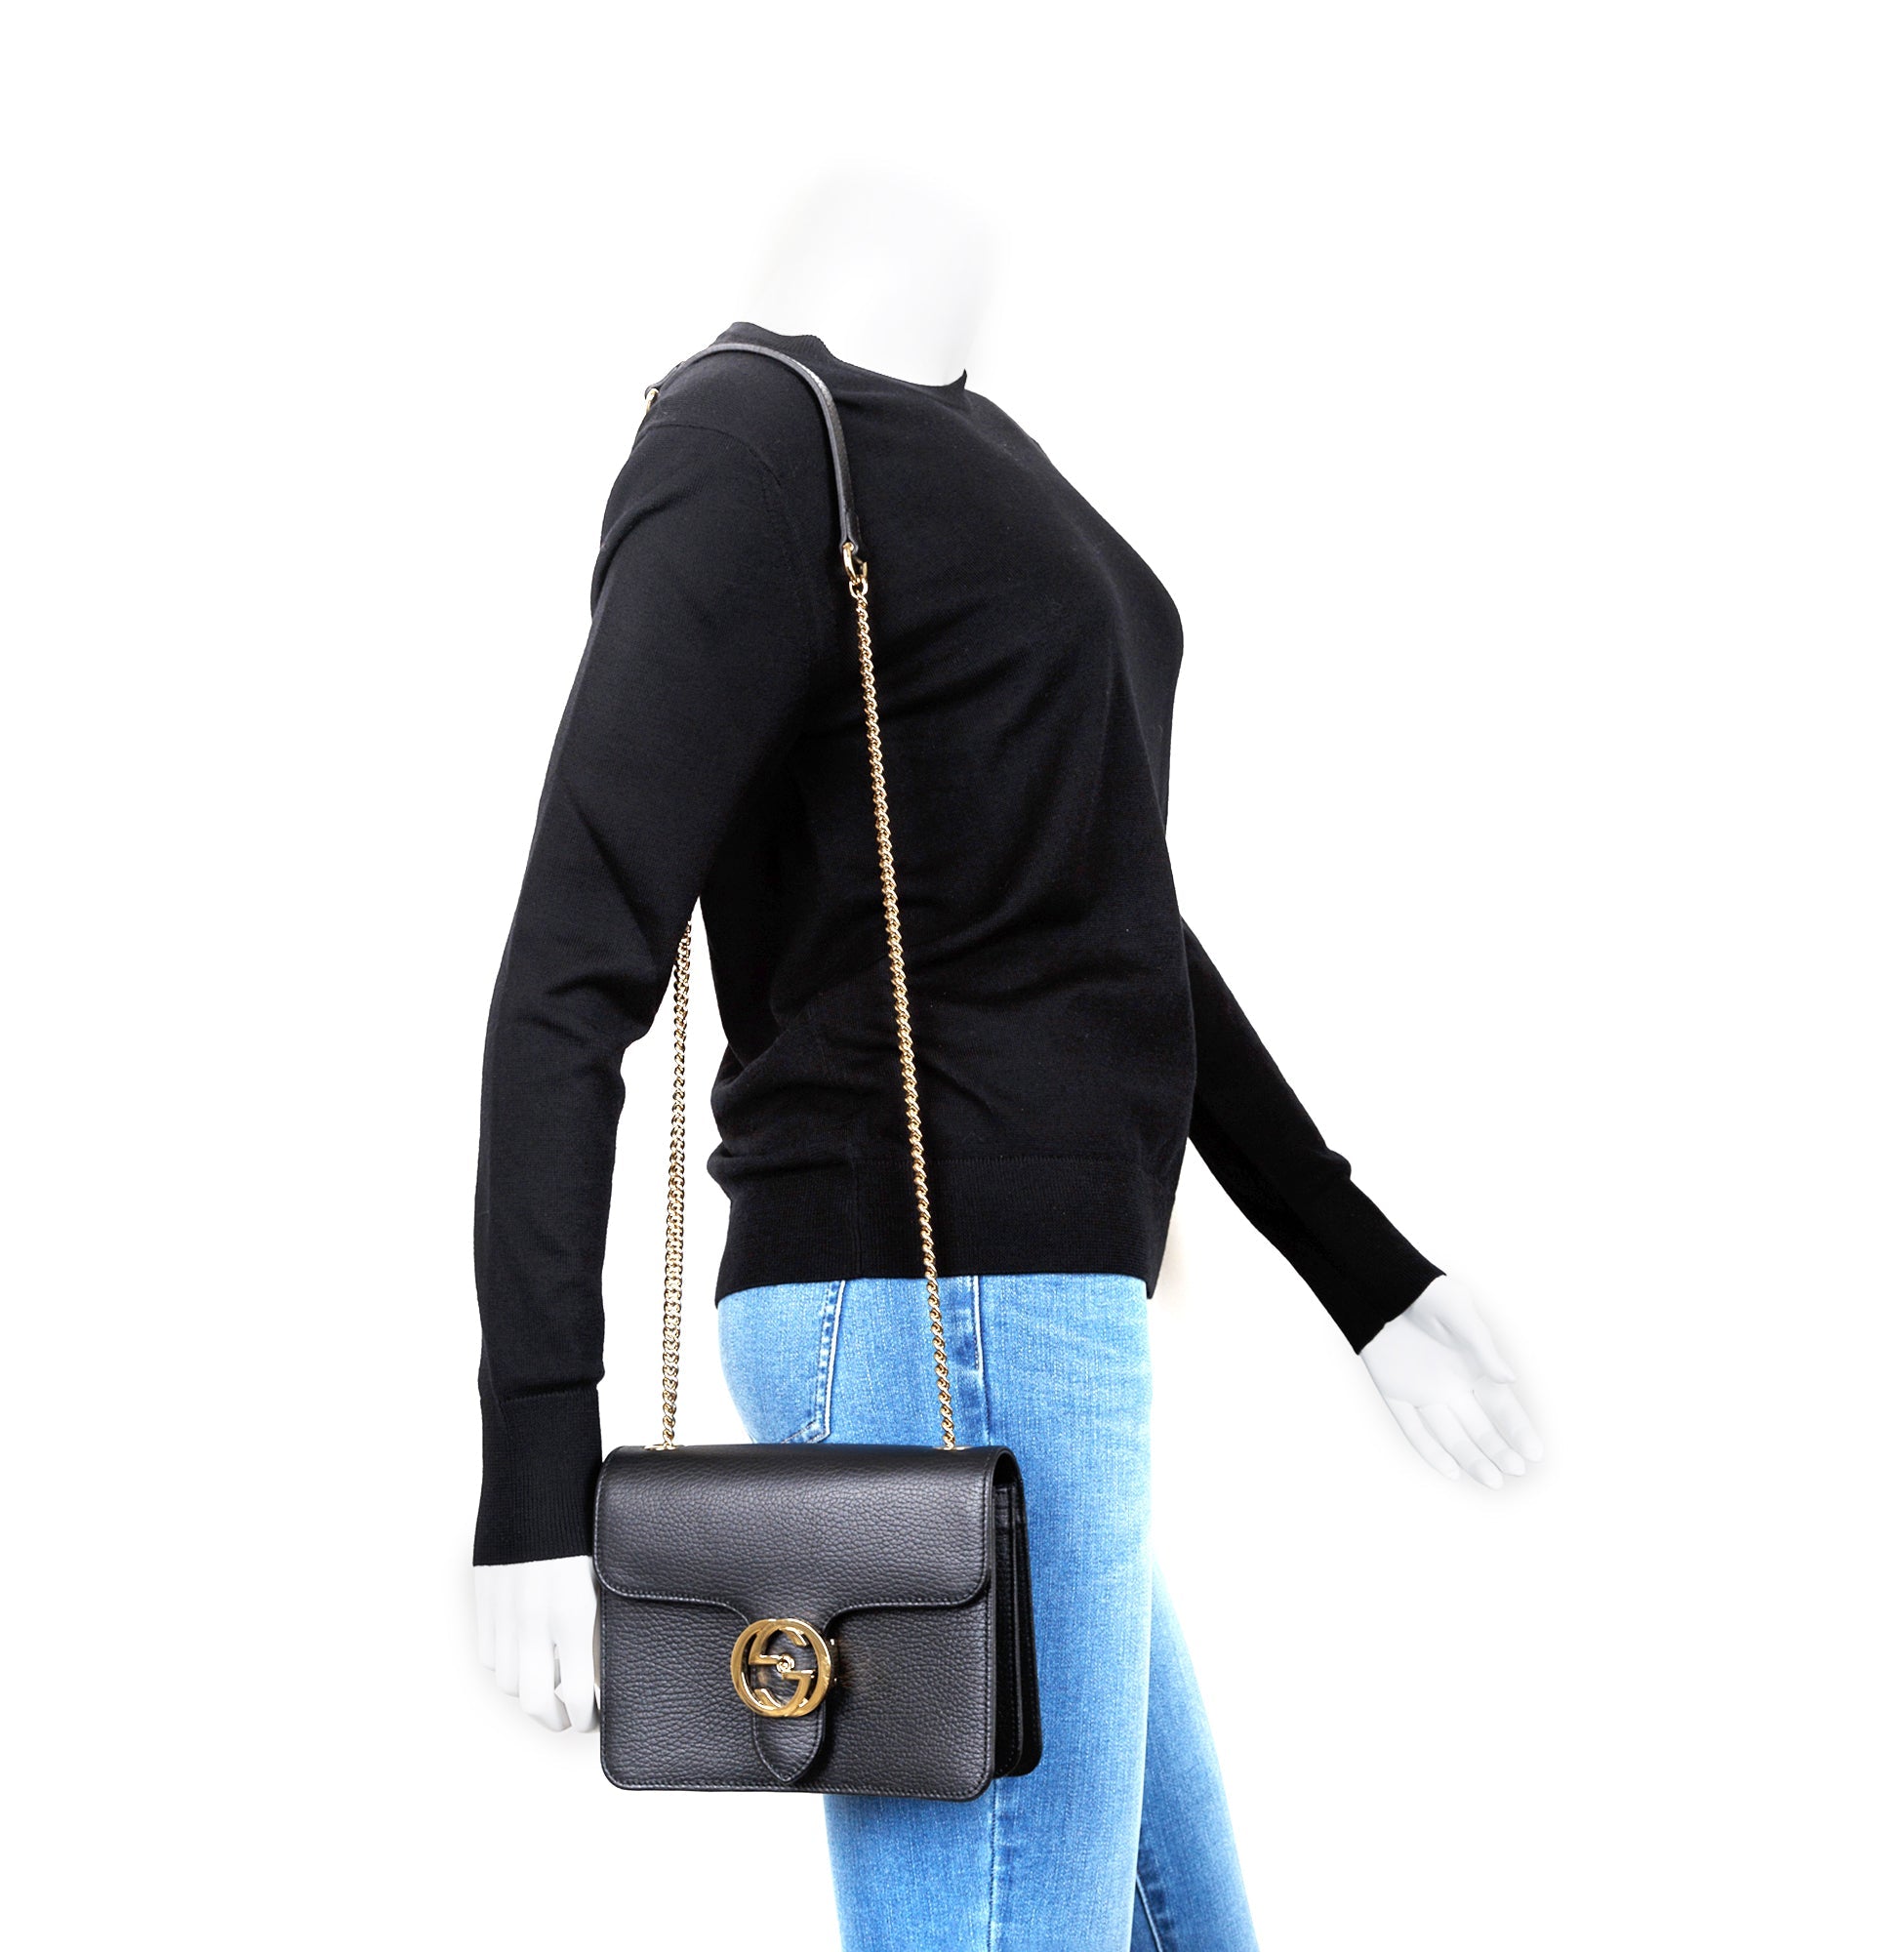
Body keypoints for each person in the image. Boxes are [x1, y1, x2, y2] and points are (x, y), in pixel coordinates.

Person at [472, 179, 1541, 1952]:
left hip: (1022, 1318)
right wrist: (533, 1462)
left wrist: (1365, 1273)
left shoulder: (977, 450)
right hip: (929, 1300)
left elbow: (1109, 925)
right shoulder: (754, 437)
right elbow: (571, 963)